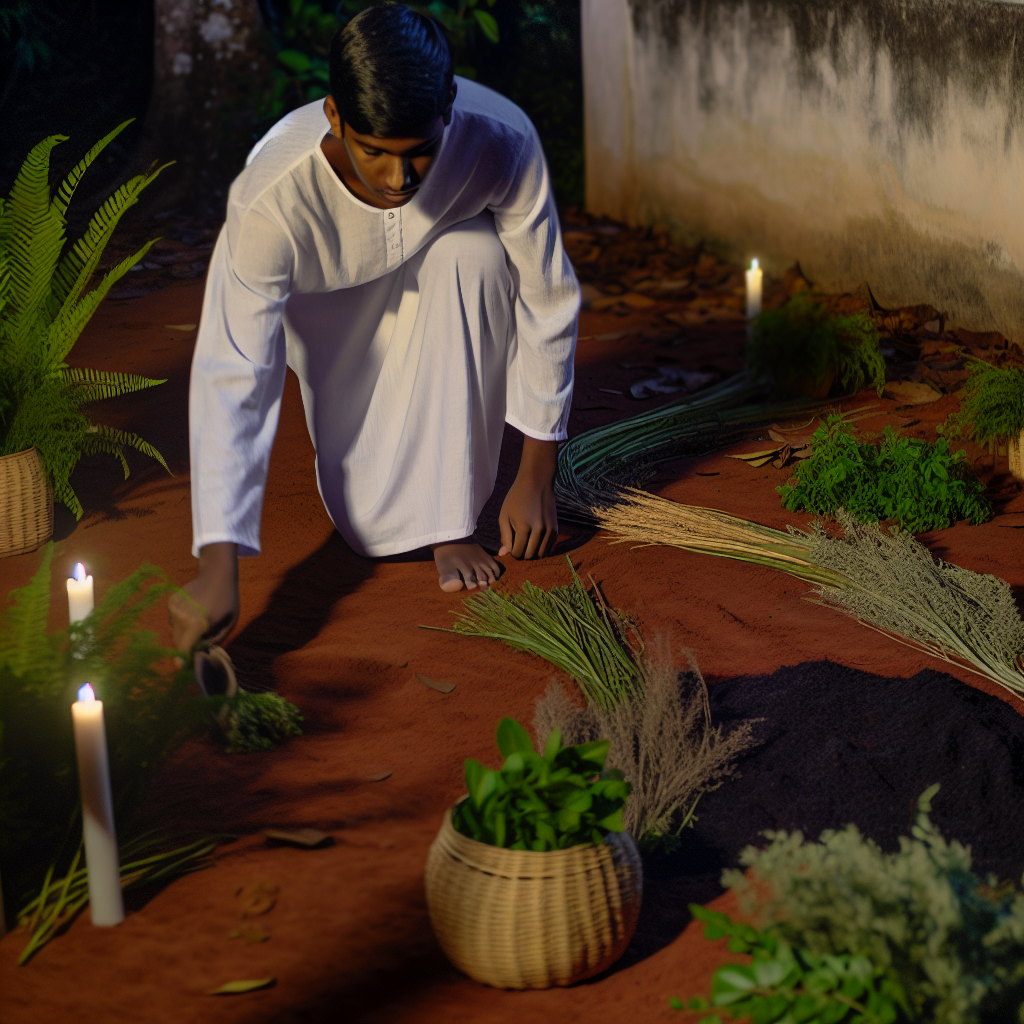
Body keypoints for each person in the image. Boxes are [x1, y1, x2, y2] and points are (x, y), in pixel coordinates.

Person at [169, 2, 579, 658]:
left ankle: (451, 521)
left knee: (471, 253)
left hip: (441, 265)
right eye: (374, 153)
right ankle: (383, 488)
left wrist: (537, 473)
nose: (398, 179)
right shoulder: (272, 199)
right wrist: (219, 561)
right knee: (366, 522)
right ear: (335, 116)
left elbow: (547, 296)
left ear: (448, 107)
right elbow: (234, 369)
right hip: (326, 306)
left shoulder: (501, 140)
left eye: (420, 153)